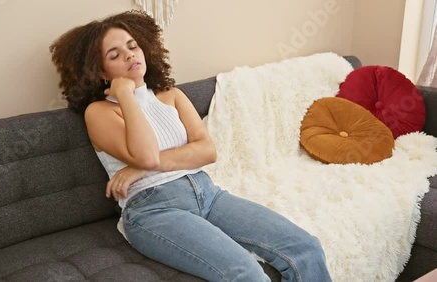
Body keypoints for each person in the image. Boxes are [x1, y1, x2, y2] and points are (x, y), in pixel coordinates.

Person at [49, 10, 332, 282]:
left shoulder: (171, 95)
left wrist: (138, 169)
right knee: (246, 274)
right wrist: (125, 96)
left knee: (305, 248)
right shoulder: (99, 112)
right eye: (115, 54)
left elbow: (207, 151)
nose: (130, 55)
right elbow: (146, 155)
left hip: (208, 194)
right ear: (100, 72)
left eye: (132, 46)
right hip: (154, 211)